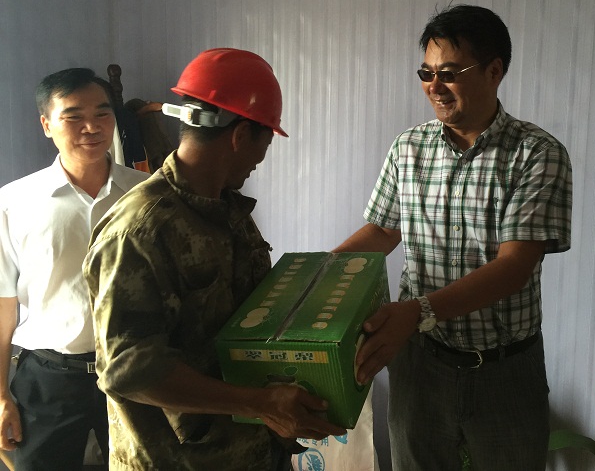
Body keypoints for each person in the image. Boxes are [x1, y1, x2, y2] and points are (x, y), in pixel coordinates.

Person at [83, 48, 346, 471]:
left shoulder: (229, 211)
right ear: (240, 136)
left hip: (255, 451)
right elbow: (129, 369)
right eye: (264, 144)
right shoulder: (140, 231)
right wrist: (260, 403)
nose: (260, 161)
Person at [335, 4, 573, 470]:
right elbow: (382, 230)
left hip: (505, 371)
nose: (434, 87)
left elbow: (513, 267)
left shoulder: (537, 154)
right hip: (420, 366)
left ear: (494, 71)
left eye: (448, 74)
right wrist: (316, 273)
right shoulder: (408, 147)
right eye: (426, 73)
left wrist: (417, 312)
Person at [0, 68, 150, 470]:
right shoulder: (14, 203)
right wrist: (0, 395)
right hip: (49, 377)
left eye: (102, 113)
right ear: (46, 124)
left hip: (134, 371)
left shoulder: (146, 193)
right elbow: (4, 306)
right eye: (73, 116)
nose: (92, 127)